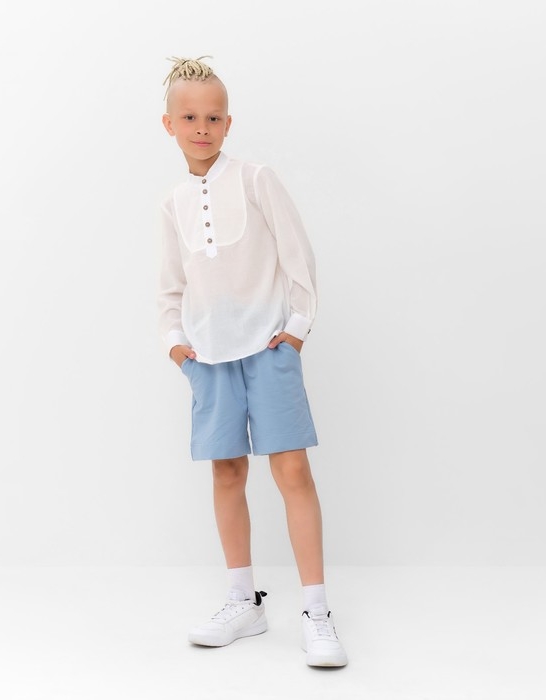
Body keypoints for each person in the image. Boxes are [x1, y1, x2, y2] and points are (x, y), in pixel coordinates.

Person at [157, 55, 348, 668]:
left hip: (269, 347)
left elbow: (298, 255)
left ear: (229, 122)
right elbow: (171, 285)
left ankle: (316, 610)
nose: (202, 127)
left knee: (292, 470)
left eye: (214, 117)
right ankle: (244, 601)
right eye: (190, 117)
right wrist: (177, 344)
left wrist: (296, 329)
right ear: (169, 124)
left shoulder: (256, 179)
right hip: (208, 356)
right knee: (226, 473)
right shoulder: (174, 203)